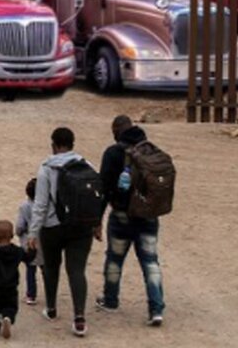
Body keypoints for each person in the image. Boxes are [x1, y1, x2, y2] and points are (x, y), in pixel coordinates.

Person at [27, 126, 101, 337]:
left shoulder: (46, 168)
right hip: (81, 225)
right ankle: (79, 318)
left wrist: (32, 234)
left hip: (53, 228)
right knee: (77, 270)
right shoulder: (87, 165)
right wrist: (97, 224)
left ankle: (51, 308)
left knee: (52, 267)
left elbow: (40, 205)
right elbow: (95, 198)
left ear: (54, 144)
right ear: (72, 144)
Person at [96, 115, 165, 326]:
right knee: (150, 262)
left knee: (115, 259)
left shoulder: (113, 153)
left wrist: (97, 220)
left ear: (116, 130)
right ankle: (156, 308)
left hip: (121, 217)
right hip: (148, 215)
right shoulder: (151, 151)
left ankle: (110, 300)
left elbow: (104, 188)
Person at [15, 178, 43, 305]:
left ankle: (31, 295)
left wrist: (19, 233)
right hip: (43, 243)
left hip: (28, 244)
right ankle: (50, 292)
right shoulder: (45, 206)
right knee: (45, 269)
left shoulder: (25, 206)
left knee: (30, 270)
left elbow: (20, 226)